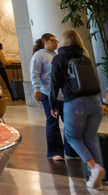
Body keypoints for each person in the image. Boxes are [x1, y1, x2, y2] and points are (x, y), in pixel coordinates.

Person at [51, 29, 105, 190]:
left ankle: (94, 168)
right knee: (90, 138)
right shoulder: (84, 57)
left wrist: (53, 105)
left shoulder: (59, 58)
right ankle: (96, 178)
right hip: (95, 101)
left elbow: (54, 83)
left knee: (72, 137)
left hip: (75, 102)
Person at [30, 32, 73, 162]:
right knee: (52, 121)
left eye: (56, 41)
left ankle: (71, 149)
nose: (56, 43)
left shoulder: (57, 56)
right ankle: (55, 151)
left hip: (61, 94)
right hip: (47, 93)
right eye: (53, 40)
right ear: (45, 42)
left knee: (69, 122)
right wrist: (36, 89)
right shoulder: (39, 55)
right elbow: (35, 73)